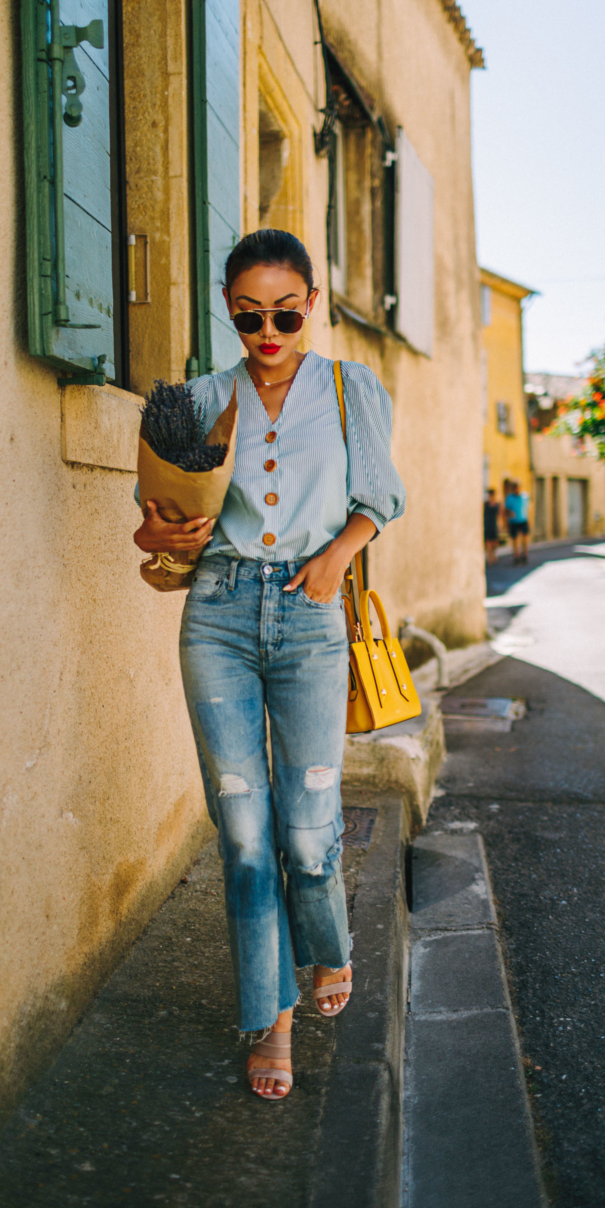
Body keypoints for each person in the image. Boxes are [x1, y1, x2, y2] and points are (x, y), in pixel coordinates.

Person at [134, 229, 406, 1100]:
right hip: (216, 615)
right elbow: (152, 522)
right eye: (251, 315)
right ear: (228, 310)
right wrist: (162, 533)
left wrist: (337, 558)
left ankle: (328, 944)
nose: (269, 332)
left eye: (286, 313)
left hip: (312, 620)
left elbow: (380, 496)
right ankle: (272, 1018)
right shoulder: (199, 400)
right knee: (247, 836)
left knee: (307, 831)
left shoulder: (349, 386)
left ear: (312, 306)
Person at [503, 479, 530, 564]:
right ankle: (516, 556)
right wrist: (509, 514)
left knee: (525, 539)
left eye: (517, 487)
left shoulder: (525, 496)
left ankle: (525, 555)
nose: (516, 489)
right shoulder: (509, 498)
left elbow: (529, 509)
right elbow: (506, 510)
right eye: (514, 488)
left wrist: (530, 520)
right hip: (513, 521)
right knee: (515, 540)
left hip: (523, 520)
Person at [483, 487, 501, 565]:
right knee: (488, 542)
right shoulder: (485, 504)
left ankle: (494, 555)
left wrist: (500, 525)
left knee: (494, 543)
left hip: (494, 524)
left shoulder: (497, 505)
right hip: (487, 524)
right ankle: (489, 558)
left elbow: (500, 515)